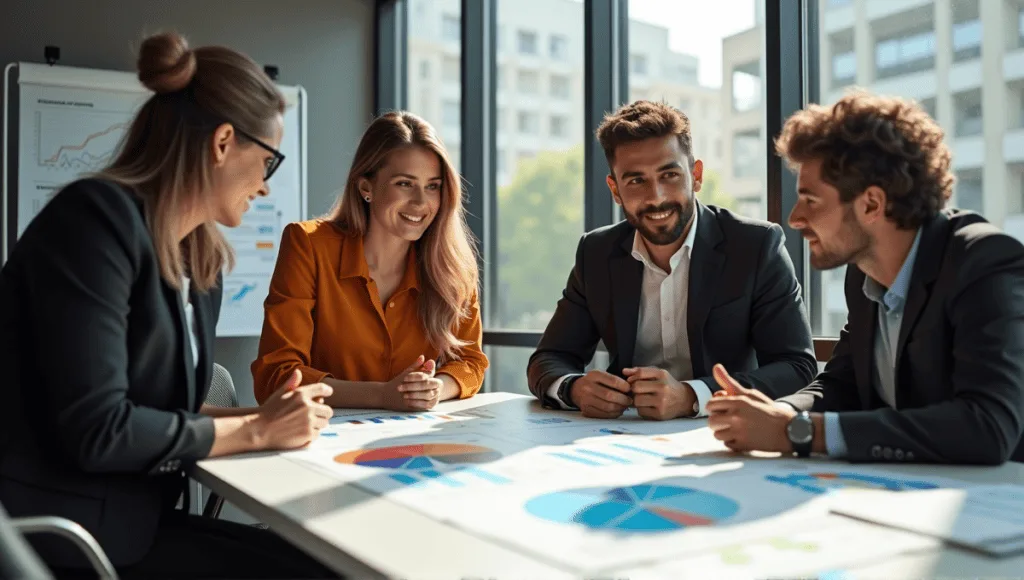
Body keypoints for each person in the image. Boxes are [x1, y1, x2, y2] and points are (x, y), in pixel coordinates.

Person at [0, 32, 335, 578]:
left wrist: (268, 416)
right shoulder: (92, 224)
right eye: (268, 163)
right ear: (224, 142)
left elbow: (157, 411)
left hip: (135, 520)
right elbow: (99, 429)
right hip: (60, 538)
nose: (266, 189)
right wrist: (256, 432)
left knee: (318, 563)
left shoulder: (198, 262)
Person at [707, 90, 1024, 465]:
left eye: (811, 200)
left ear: (871, 204)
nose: (794, 219)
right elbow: (841, 383)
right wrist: (775, 413)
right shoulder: (863, 273)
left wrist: (799, 432)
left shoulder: (983, 263)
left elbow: (987, 427)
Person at [527, 100, 816, 420]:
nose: (657, 197)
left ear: (696, 175)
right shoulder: (596, 252)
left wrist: (694, 395)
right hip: (619, 434)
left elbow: (796, 367)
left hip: (721, 432)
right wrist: (574, 388)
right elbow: (550, 358)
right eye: (636, 180)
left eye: (669, 175)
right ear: (615, 190)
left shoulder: (755, 245)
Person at [251, 112, 487, 410]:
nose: (420, 202)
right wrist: (381, 395)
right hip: (319, 435)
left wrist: (433, 389)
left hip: (407, 441)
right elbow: (277, 376)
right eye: (404, 183)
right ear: (366, 188)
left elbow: (470, 362)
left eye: (433, 186)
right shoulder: (308, 246)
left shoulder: (452, 266)